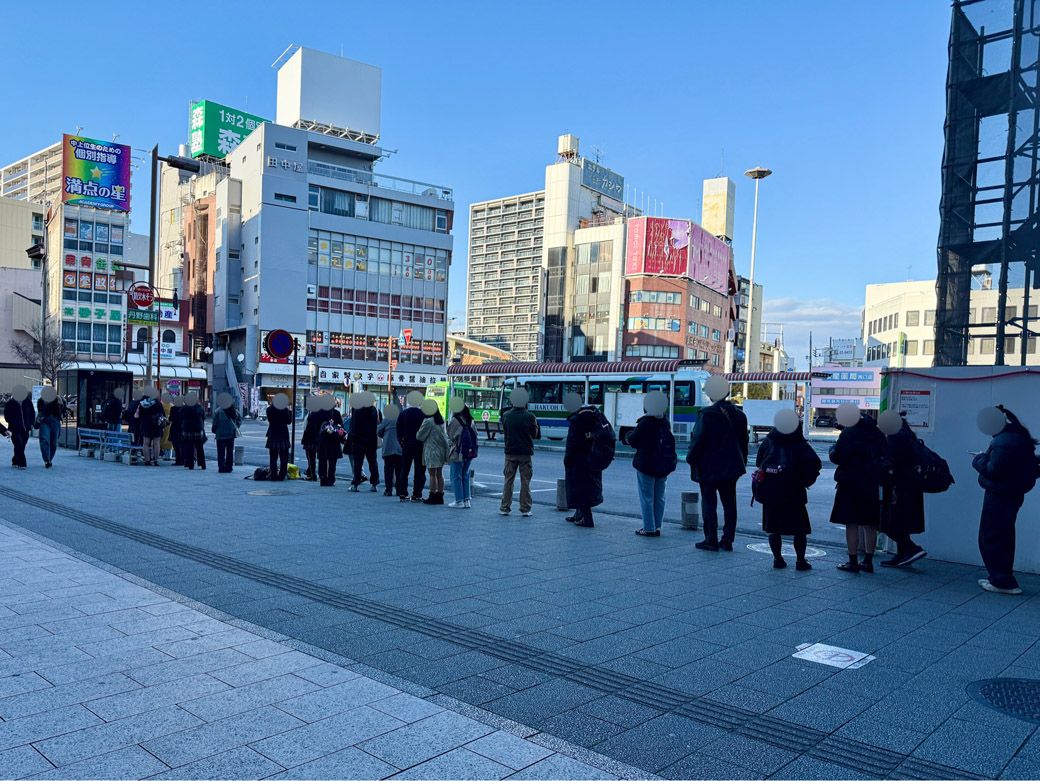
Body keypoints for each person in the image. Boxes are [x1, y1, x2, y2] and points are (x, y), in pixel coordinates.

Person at [973, 405, 1038, 595]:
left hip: (999, 494)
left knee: (992, 536)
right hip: (1013, 492)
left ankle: (1003, 581)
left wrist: (978, 459)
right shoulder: (1019, 436)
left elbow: (993, 470)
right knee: (1003, 535)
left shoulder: (1002, 441)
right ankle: (999, 577)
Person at [686, 376, 748, 552]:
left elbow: (698, 440)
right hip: (732, 466)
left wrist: (691, 458)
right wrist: (741, 461)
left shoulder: (706, 414)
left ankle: (710, 539)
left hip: (709, 466)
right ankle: (727, 539)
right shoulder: (740, 415)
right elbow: (744, 442)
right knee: (730, 503)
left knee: (709, 502)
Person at [755, 410, 822, 570]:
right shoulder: (800, 444)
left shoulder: (769, 441)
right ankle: (800, 561)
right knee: (799, 529)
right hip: (794, 491)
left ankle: (778, 559)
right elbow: (815, 464)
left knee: (773, 528)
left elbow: (759, 462)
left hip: (771, 490)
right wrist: (805, 481)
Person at [829, 403, 889, 573]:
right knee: (870, 523)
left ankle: (853, 561)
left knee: (851, 522)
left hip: (850, 482)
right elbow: (885, 456)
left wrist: (833, 449)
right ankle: (868, 561)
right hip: (871, 482)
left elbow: (838, 456)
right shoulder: (877, 433)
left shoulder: (848, 433)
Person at [878, 410, 928, 568]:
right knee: (900, 521)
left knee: (888, 522)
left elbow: (892, 461)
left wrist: (880, 465)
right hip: (910, 486)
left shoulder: (895, 437)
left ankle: (911, 549)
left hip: (898, 486)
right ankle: (902, 555)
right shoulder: (908, 435)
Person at [627, 391, 677, 537]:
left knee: (647, 497)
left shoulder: (645, 423)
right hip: (663, 465)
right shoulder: (665, 422)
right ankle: (658, 526)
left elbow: (633, 441)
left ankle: (649, 527)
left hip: (646, 464)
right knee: (660, 497)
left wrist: (629, 435)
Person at [500, 388, 540, 517]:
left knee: (508, 481)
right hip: (525, 453)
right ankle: (525, 508)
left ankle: (505, 507)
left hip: (510, 452)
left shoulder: (506, 415)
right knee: (525, 481)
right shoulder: (530, 416)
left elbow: (505, 431)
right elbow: (535, 434)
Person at [417, 400, 450, 505]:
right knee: (440, 473)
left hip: (431, 450)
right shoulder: (441, 420)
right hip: (441, 450)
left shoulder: (428, 421)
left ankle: (432, 495)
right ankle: (440, 496)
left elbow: (419, 436)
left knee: (432, 474)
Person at [447, 400, 477, 508]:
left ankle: (459, 501)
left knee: (456, 476)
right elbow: (475, 434)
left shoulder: (455, 420)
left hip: (458, 452)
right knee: (465, 475)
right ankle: (467, 500)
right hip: (469, 452)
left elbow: (450, 435)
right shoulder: (470, 420)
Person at [397, 391, 427, 502]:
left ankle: (402, 493)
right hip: (420, 445)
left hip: (406, 444)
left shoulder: (403, 414)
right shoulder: (423, 414)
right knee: (419, 471)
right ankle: (416, 494)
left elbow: (398, 430)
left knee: (404, 470)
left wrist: (401, 441)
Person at [349, 392, 381, 492]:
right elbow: (378, 425)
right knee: (373, 462)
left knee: (358, 463)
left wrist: (353, 439)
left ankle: (355, 484)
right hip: (371, 440)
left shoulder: (357, 410)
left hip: (359, 440)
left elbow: (354, 426)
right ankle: (374, 484)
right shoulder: (375, 410)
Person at [316, 395, 345, 486]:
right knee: (332, 462)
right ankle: (331, 479)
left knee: (322, 460)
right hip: (334, 440)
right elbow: (341, 427)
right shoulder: (336, 413)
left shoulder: (319, 412)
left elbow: (316, 427)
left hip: (323, 440)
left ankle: (322, 478)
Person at [4, 386, 34, 469]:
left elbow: (32, 413)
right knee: (19, 444)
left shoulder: (28, 402)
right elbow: (7, 416)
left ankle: (15, 460)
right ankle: (22, 463)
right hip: (14, 428)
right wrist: (13, 421)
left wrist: (31, 423)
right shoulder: (10, 403)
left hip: (26, 428)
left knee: (22, 445)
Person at [211, 393, 241, 474]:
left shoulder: (218, 411)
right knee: (230, 452)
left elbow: (214, 424)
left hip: (220, 435)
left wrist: (215, 431)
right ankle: (229, 467)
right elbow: (239, 421)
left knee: (220, 452)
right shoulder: (234, 411)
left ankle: (221, 467)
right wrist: (235, 427)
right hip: (230, 435)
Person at [265, 393, 292, 481]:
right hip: (283, 434)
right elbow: (289, 421)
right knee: (284, 457)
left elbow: (270, 420)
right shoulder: (285, 410)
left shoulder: (269, 409)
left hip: (273, 433)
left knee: (273, 457)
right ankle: (282, 475)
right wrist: (290, 411)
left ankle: (273, 475)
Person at [135, 388, 165, 466]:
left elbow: (139, 415)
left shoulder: (142, 403)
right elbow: (162, 414)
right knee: (156, 443)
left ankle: (147, 460)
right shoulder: (157, 403)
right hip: (156, 425)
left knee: (146, 443)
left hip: (145, 425)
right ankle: (156, 460)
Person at [35, 387, 64, 469]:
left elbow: (63, 410)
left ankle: (50, 458)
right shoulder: (41, 401)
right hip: (45, 421)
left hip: (55, 421)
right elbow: (40, 412)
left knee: (54, 442)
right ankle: (46, 460)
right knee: (44, 440)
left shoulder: (59, 400)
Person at [378, 404, 403, 497]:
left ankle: (388, 490)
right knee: (399, 470)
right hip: (399, 448)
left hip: (388, 448)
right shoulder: (401, 419)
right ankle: (399, 490)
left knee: (388, 470)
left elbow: (378, 431)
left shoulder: (386, 420)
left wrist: (384, 435)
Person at [180, 392, 207, 470]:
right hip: (198, 429)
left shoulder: (185, 408)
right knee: (200, 447)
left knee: (189, 447)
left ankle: (190, 464)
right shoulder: (199, 407)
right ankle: (202, 464)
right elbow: (204, 417)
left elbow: (180, 417)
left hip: (187, 429)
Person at [301, 395, 323, 481]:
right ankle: (312, 473)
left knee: (311, 457)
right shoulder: (319, 412)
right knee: (316, 457)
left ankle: (312, 475)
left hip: (311, 439)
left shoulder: (313, 413)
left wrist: (305, 438)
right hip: (317, 438)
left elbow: (310, 428)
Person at [169, 396, 185, 466]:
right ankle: (183, 459)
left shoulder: (173, 408)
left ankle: (178, 460)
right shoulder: (184, 408)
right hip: (183, 428)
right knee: (182, 445)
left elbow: (171, 419)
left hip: (175, 428)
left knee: (176, 445)